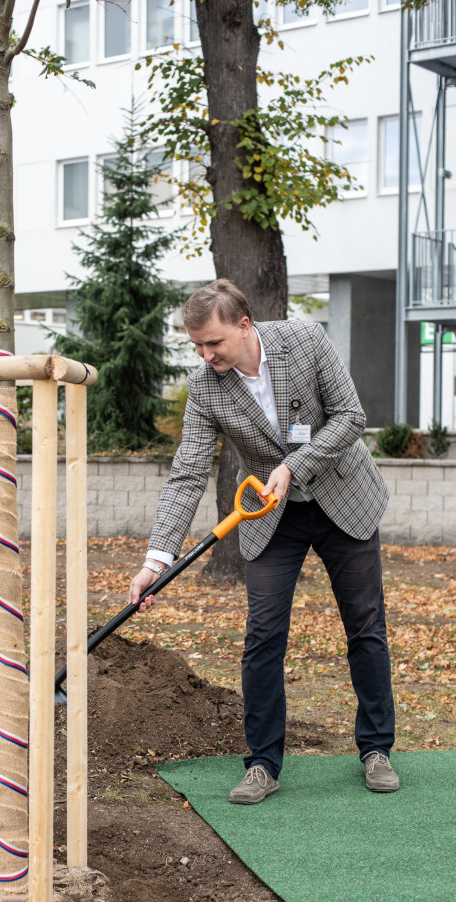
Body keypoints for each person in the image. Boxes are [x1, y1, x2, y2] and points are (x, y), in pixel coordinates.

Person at [129, 279, 398, 804]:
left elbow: (351, 417)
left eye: (215, 344)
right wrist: (156, 559)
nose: (206, 356)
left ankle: (376, 748)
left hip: (344, 497)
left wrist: (293, 466)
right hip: (269, 515)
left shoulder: (304, 339)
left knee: (365, 626)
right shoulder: (207, 385)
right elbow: (187, 472)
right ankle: (262, 763)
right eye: (198, 347)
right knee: (263, 635)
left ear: (244, 325)